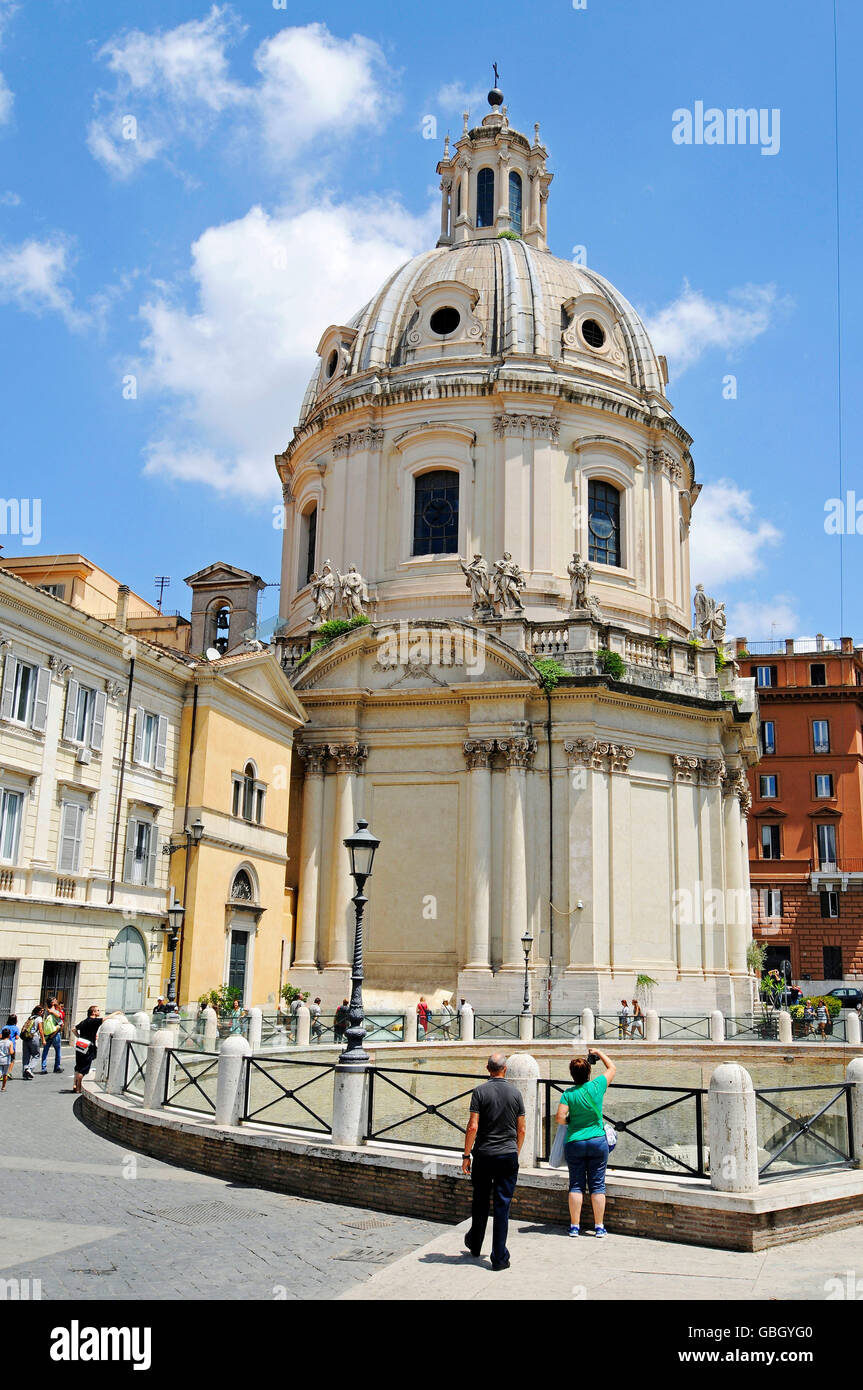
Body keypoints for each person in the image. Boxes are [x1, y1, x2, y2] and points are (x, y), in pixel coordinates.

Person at [462, 1053, 526, 1271]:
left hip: (484, 1155)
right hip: (508, 1156)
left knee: (480, 1201)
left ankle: (475, 1243)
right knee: (502, 1206)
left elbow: (472, 1126)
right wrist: (515, 1152)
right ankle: (499, 1258)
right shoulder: (516, 1093)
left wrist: (465, 1154)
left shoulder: (479, 1091)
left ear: (487, 1069)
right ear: (505, 1069)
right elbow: (522, 1129)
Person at [556, 1046, 617, 1237]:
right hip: (597, 1142)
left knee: (576, 1185)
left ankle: (575, 1226)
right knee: (598, 1185)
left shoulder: (568, 1093)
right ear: (589, 1072)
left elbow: (559, 1117)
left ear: (572, 1074)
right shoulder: (597, 1085)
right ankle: (599, 1226)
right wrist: (599, 1052)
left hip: (575, 1142)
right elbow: (612, 1068)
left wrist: (570, 1121)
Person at [72, 1006, 122, 1094]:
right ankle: (78, 1088)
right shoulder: (94, 1021)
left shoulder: (84, 1021)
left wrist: (79, 1037)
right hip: (88, 1047)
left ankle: (75, 1085)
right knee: (84, 1068)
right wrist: (116, 1012)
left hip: (80, 1044)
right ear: (93, 1012)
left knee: (78, 1066)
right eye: (98, 1010)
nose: (99, 1012)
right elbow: (106, 1019)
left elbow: (74, 1029)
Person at [40, 997, 64, 1074]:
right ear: (52, 1003)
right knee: (58, 1051)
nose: (57, 1001)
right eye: (55, 1000)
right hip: (55, 1034)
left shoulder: (46, 1012)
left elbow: (43, 1023)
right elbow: (61, 1023)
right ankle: (56, 1067)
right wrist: (54, 1033)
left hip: (47, 1034)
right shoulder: (55, 1012)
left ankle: (43, 1068)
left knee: (45, 1051)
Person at [19, 1007, 44, 1079]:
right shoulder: (39, 1018)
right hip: (34, 1037)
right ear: (38, 1012)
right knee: (36, 1055)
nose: (42, 1013)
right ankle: (29, 1069)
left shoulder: (30, 1017)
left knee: (26, 1056)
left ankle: (25, 1074)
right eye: (41, 1011)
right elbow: (41, 1029)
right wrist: (43, 1039)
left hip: (26, 1037)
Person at [0, 1027, 13, 1092]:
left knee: (0, 1072)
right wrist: (12, 1052)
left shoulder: (0, 1042)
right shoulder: (10, 1042)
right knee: (5, 1074)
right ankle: (3, 1087)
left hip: (0, 1059)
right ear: (9, 1035)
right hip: (6, 1060)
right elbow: (11, 1052)